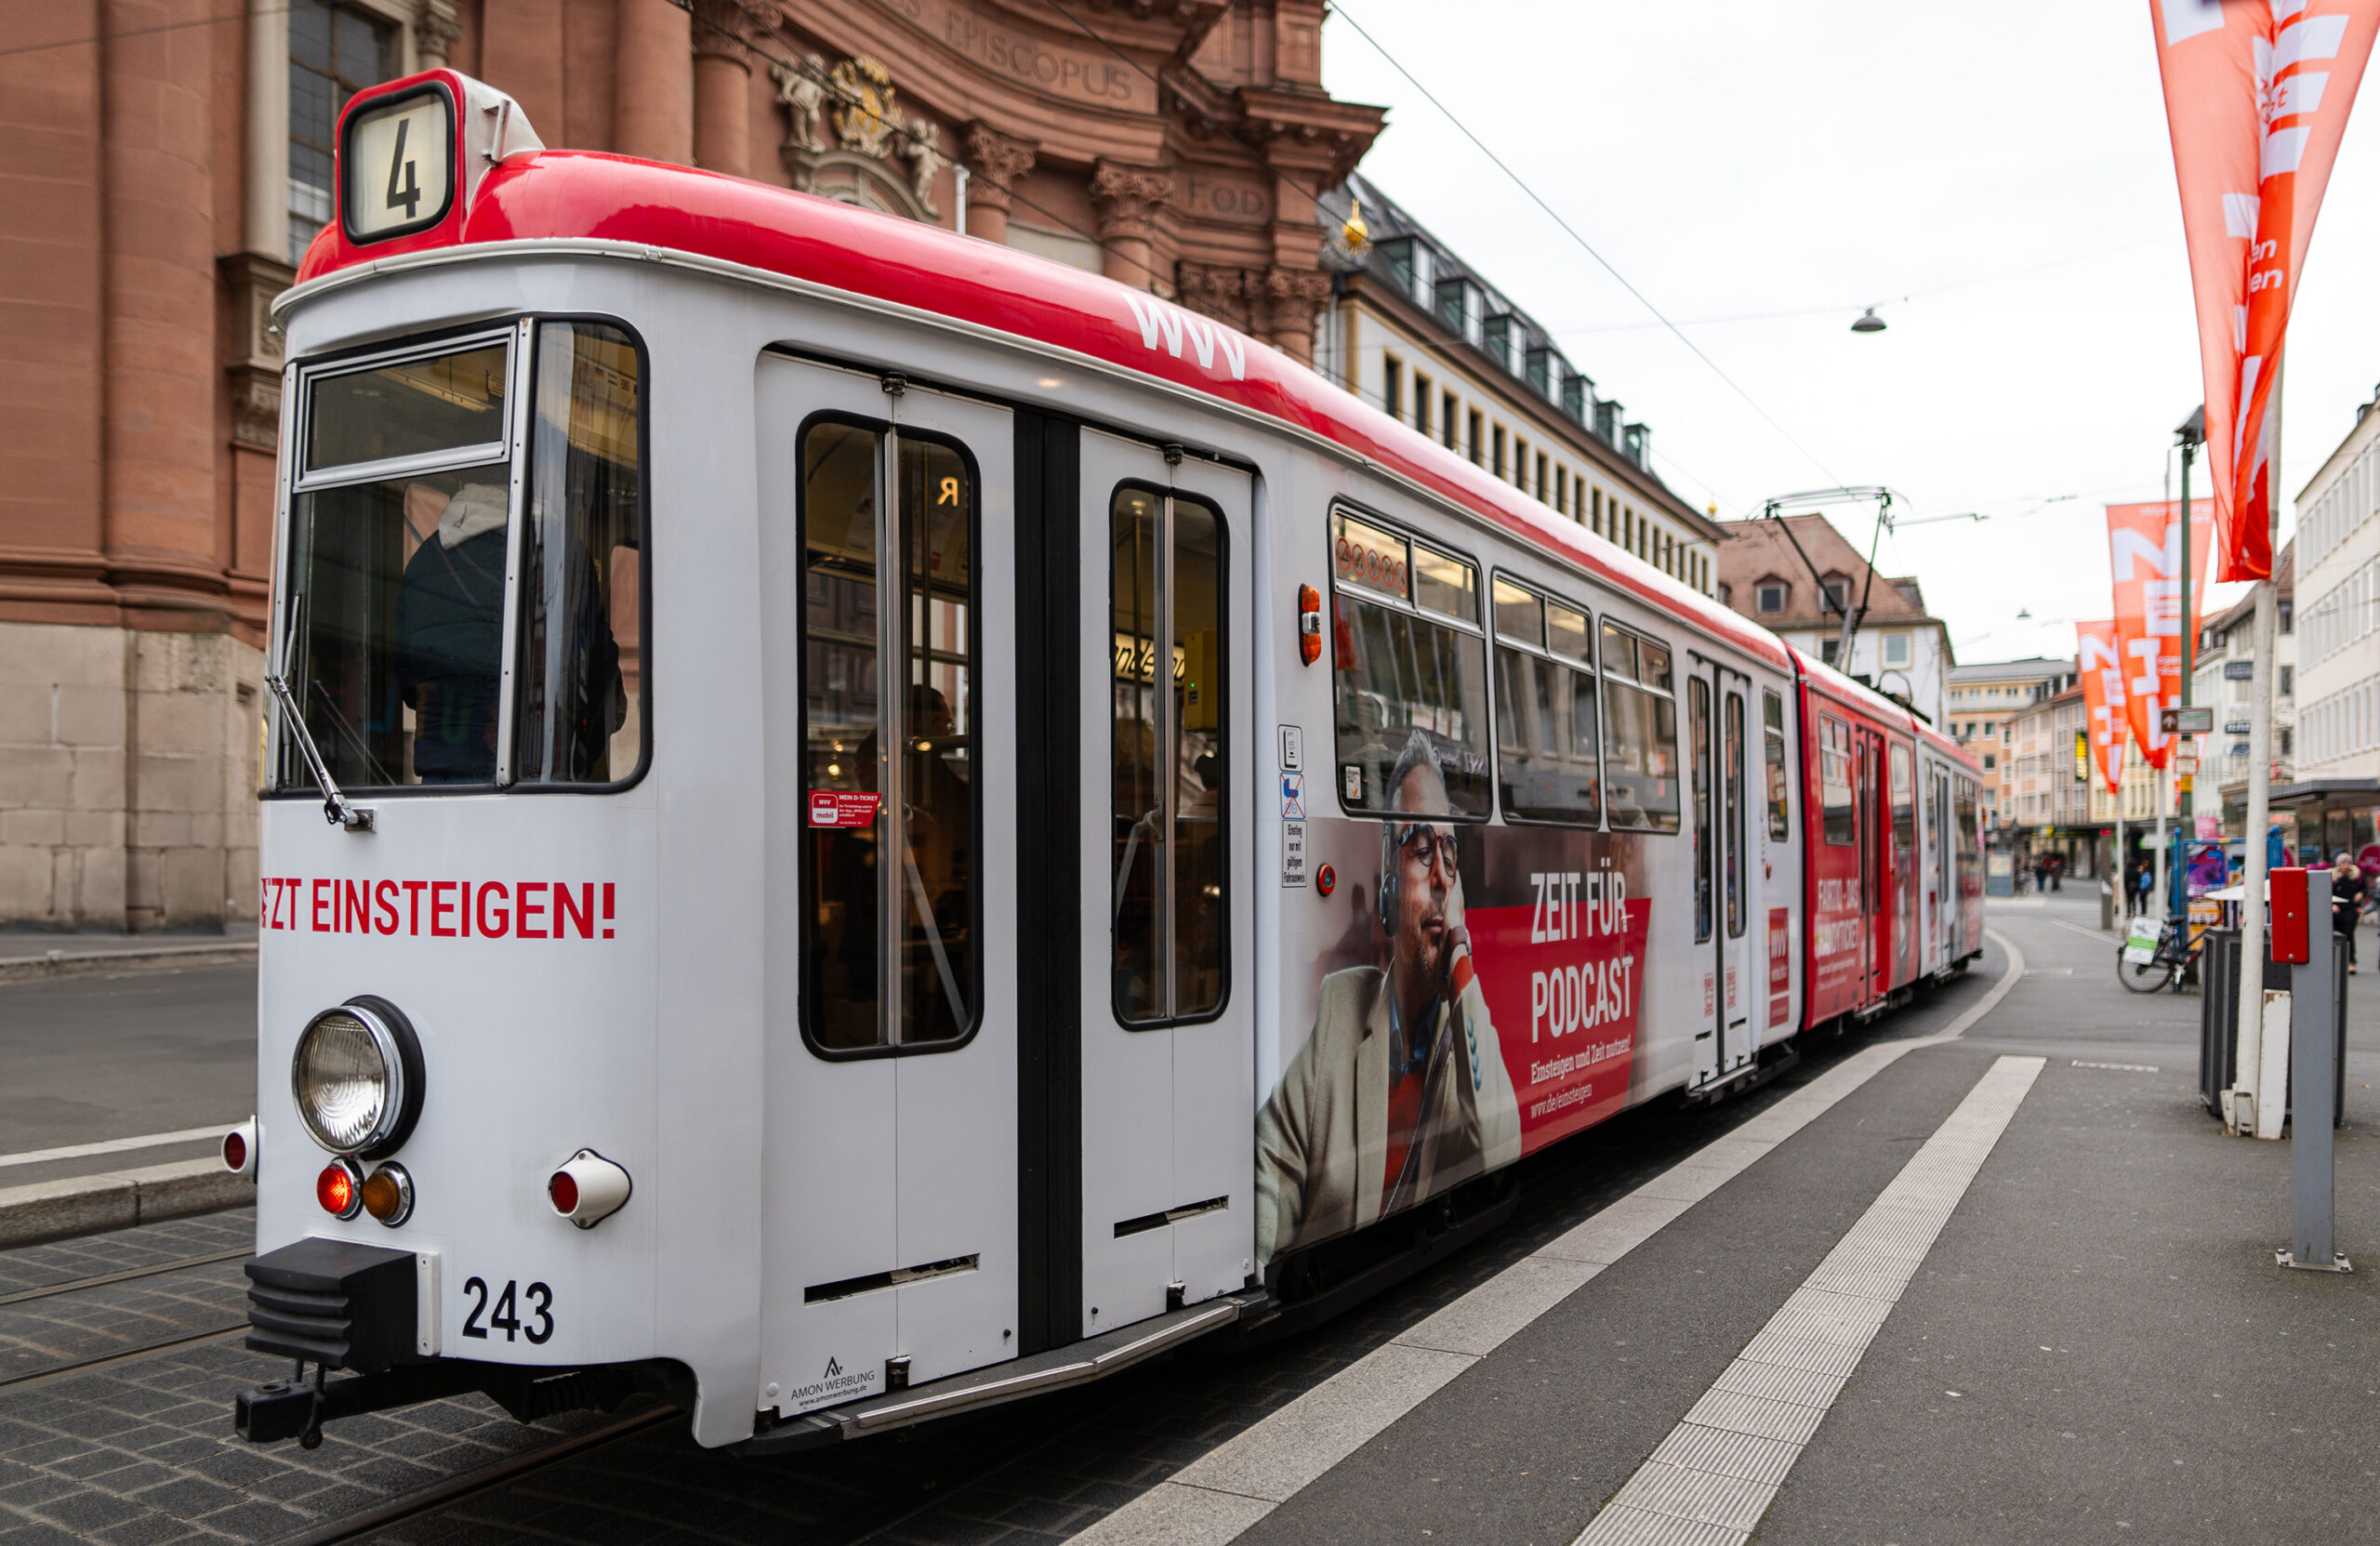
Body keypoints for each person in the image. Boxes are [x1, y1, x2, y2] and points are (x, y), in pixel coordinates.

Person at [1256, 730, 1520, 1263]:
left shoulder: (1466, 1035)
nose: (1443, 878)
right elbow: (1270, 1169)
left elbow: (1501, 1149)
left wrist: (1461, 957)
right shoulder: (1340, 1010)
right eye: (1423, 852)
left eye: (1451, 854)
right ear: (1386, 891)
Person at [2333, 852, 2367, 975]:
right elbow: (2325, 893)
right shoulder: (2333, 877)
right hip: (2336, 911)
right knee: (2336, 936)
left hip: (2351, 910)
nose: (2346, 866)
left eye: (2348, 863)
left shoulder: (2356, 876)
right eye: (2343, 863)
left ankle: (2351, 962)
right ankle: (2337, 961)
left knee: (2348, 935)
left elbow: (2364, 887)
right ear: (2338, 865)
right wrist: (2332, 905)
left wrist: (2361, 894)